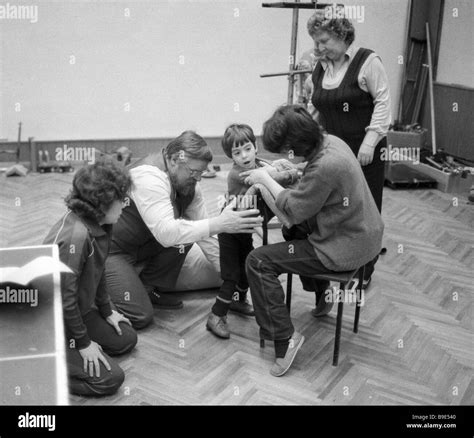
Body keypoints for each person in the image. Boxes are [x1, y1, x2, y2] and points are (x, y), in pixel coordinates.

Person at [242, 105, 384, 377]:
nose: (285, 155)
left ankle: (285, 339)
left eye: (285, 150)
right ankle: (321, 293)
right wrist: (292, 171)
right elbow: (315, 173)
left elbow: (293, 208)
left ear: (296, 144)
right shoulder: (332, 141)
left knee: (257, 262)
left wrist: (264, 179)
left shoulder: (326, 166)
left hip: (346, 247)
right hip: (364, 233)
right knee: (292, 234)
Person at [104, 130, 263, 329]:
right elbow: (167, 232)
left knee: (191, 232)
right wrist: (221, 222)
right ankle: (99, 296)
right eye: (193, 172)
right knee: (140, 316)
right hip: (113, 251)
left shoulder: (189, 184)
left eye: (201, 173)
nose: (197, 179)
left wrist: (231, 278)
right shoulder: (148, 177)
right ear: (172, 160)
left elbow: (206, 235)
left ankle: (149, 288)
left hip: (144, 245)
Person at [307, 8, 391, 291]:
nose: (318, 48)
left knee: (365, 210)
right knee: (335, 206)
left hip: (366, 149)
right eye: (315, 41)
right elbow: (315, 108)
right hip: (334, 153)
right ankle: (339, 259)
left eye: (323, 41)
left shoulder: (368, 61)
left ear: (342, 36)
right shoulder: (320, 68)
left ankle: (365, 269)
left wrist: (369, 143)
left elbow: (383, 103)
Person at [43, 159, 137, 396]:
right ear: (102, 204)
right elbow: (64, 299)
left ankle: (75, 348)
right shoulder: (76, 238)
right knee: (111, 379)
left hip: (77, 311)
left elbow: (99, 268)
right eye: (121, 199)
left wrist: (106, 310)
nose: (125, 204)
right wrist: (83, 344)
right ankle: (43, 368)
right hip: (51, 324)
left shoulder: (103, 222)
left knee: (126, 338)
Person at [206, 124, 300, 339]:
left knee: (247, 268)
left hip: (244, 229)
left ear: (256, 147)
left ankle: (238, 302)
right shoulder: (240, 174)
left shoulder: (260, 165)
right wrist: (293, 172)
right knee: (231, 276)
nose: (244, 156)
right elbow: (275, 177)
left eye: (247, 149)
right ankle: (216, 315)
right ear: (231, 157)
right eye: (236, 153)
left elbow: (270, 170)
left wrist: (283, 169)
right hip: (230, 229)